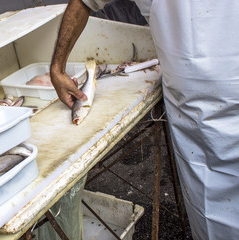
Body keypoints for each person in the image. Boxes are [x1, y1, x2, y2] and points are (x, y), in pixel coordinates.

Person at [50, 0, 239, 239]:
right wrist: (57, 69)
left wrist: (57, 68)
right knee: (211, 207)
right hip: (196, 118)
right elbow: (83, 3)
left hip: (200, 109)